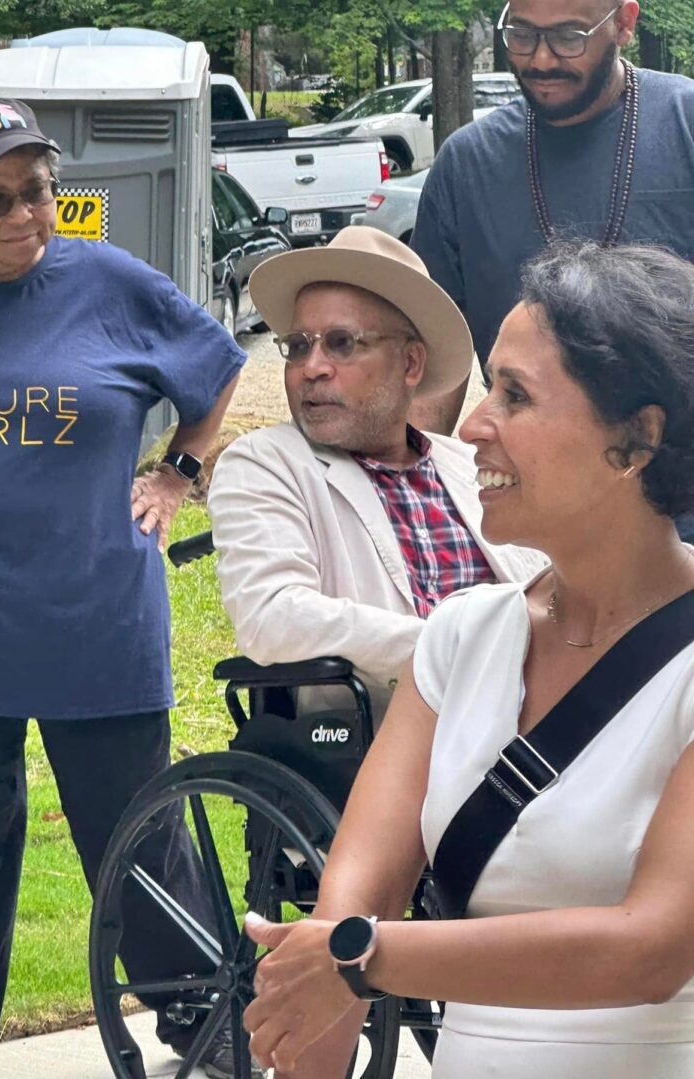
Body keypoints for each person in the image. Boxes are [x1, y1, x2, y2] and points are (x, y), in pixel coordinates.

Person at [242, 240, 694, 1078]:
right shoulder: (460, 639)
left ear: (636, 440)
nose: (473, 421)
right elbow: (353, 901)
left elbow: (652, 947)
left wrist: (358, 959)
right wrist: (321, 994)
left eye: (514, 395)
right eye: (488, 384)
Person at [0, 98, 248, 1079]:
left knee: (137, 841)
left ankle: (203, 1030)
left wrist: (182, 470)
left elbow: (217, 371)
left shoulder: (111, 282)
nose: (24, 215)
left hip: (92, 619)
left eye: (40, 191)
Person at [207, 226, 545, 727]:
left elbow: (551, 585)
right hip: (379, 742)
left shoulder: (471, 465)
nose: (311, 368)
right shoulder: (265, 463)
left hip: (525, 726)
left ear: (410, 363)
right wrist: (456, 649)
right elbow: (273, 618)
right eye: (298, 346)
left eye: (341, 344)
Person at [409, 0, 694, 451]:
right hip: (529, 490)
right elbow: (435, 354)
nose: (541, 59)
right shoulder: (468, 164)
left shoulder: (684, 125)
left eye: (568, 37)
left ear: (624, 23)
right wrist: (408, 491)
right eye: (522, 34)